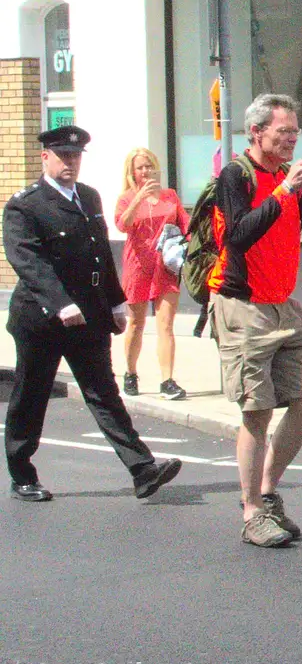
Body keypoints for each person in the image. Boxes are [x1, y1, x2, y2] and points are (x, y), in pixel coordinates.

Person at [3, 126, 182, 503]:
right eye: (63, 156)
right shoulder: (26, 204)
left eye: (76, 156)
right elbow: (28, 262)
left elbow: (100, 253)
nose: (71, 163)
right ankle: (22, 473)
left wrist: (116, 303)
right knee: (31, 395)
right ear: (45, 158)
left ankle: (142, 468)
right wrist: (60, 303)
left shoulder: (87, 196)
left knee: (104, 393)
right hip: (43, 318)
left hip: (89, 316)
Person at [209, 93, 302, 548]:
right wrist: (284, 189)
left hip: (283, 304)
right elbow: (237, 235)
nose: (292, 139)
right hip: (242, 303)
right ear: (257, 133)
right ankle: (252, 511)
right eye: (283, 132)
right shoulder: (236, 176)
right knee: (257, 409)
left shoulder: (292, 179)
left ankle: (267, 491)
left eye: (295, 131)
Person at [115, 147, 189, 400]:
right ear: (132, 172)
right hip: (138, 265)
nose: (145, 171)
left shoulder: (169, 195)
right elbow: (122, 225)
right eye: (140, 167)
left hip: (165, 266)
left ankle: (167, 380)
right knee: (135, 324)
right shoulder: (127, 197)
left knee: (166, 325)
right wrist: (138, 199)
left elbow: (185, 224)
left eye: (149, 166)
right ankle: (131, 373)